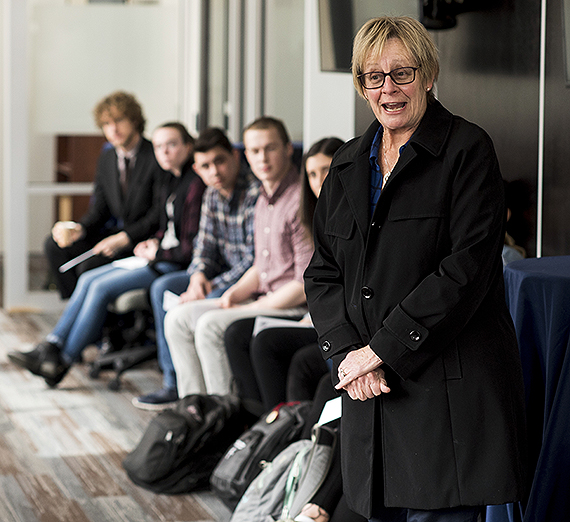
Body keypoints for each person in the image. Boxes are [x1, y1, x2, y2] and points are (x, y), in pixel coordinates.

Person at [304, 16, 527, 522]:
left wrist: (379, 351)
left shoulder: (468, 151)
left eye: (402, 73)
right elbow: (322, 273)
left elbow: (465, 271)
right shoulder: (344, 164)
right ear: (361, 87)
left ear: (428, 75)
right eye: (374, 77)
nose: (389, 89)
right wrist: (346, 355)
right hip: (370, 393)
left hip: (446, 395)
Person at [8, 122, 205, 387]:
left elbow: (188, 245)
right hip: (156, 255)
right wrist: (152, 244)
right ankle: (52, 345)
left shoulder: (195, 186)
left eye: (172, 145)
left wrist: (157, 250)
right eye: (159, 146)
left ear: (188, 146)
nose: (164, 152)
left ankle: (61, 361)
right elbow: (164, 227)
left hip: (171, 264)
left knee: (100, 286)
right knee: (89, 278)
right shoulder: (170, 180)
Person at [164, 117, 313, 398]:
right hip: (264, 297)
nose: (263, 158)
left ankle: (223, 415)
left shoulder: (299, 200)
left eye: (270, 148)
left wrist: (248, 305)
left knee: (209, 326)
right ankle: (196, 408)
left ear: (287, 149)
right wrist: (234, 293)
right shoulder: (263, 198)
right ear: (246, 155)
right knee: (178, 318)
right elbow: (262, 265)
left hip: (291, 307)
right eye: (255, 151)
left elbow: (305, 282)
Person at [132, 127, 260, 409]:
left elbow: (255, 260)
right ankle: (173, 381)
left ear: (235, 157)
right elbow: (204, 246)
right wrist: (198, 275)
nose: (214, 171)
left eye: (220, 161)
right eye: (205, 166)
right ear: (197, 169)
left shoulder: (255, 193)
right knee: (163, 287)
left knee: (198, 306)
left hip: (245, 280)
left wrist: (210, 285)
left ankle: (213, 400)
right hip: (217, 276)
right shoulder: (212, 195)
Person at [223, 137, 344, 413]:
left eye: (326, 170)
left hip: (330, 319)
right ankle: (257, 424)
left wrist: (315, 316)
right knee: (238, 333)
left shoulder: (351, 216)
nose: (318, 180)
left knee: (267, 343)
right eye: (312, 173)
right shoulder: (316, 214)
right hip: (315, 314)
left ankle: (280, 426)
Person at [45, 91, 163, 299]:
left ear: (134, 120)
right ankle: (77, 307)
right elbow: (99, 209)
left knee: (89, 266)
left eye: (119, 120)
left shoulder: (155, 155)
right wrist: (79, 229)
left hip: (141, 238)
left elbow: (157, 213)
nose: (113, 129)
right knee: (54, 246)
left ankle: (92, 319)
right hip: (115, 233)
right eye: (107, 123)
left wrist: (124, 238)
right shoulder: (107, 158)